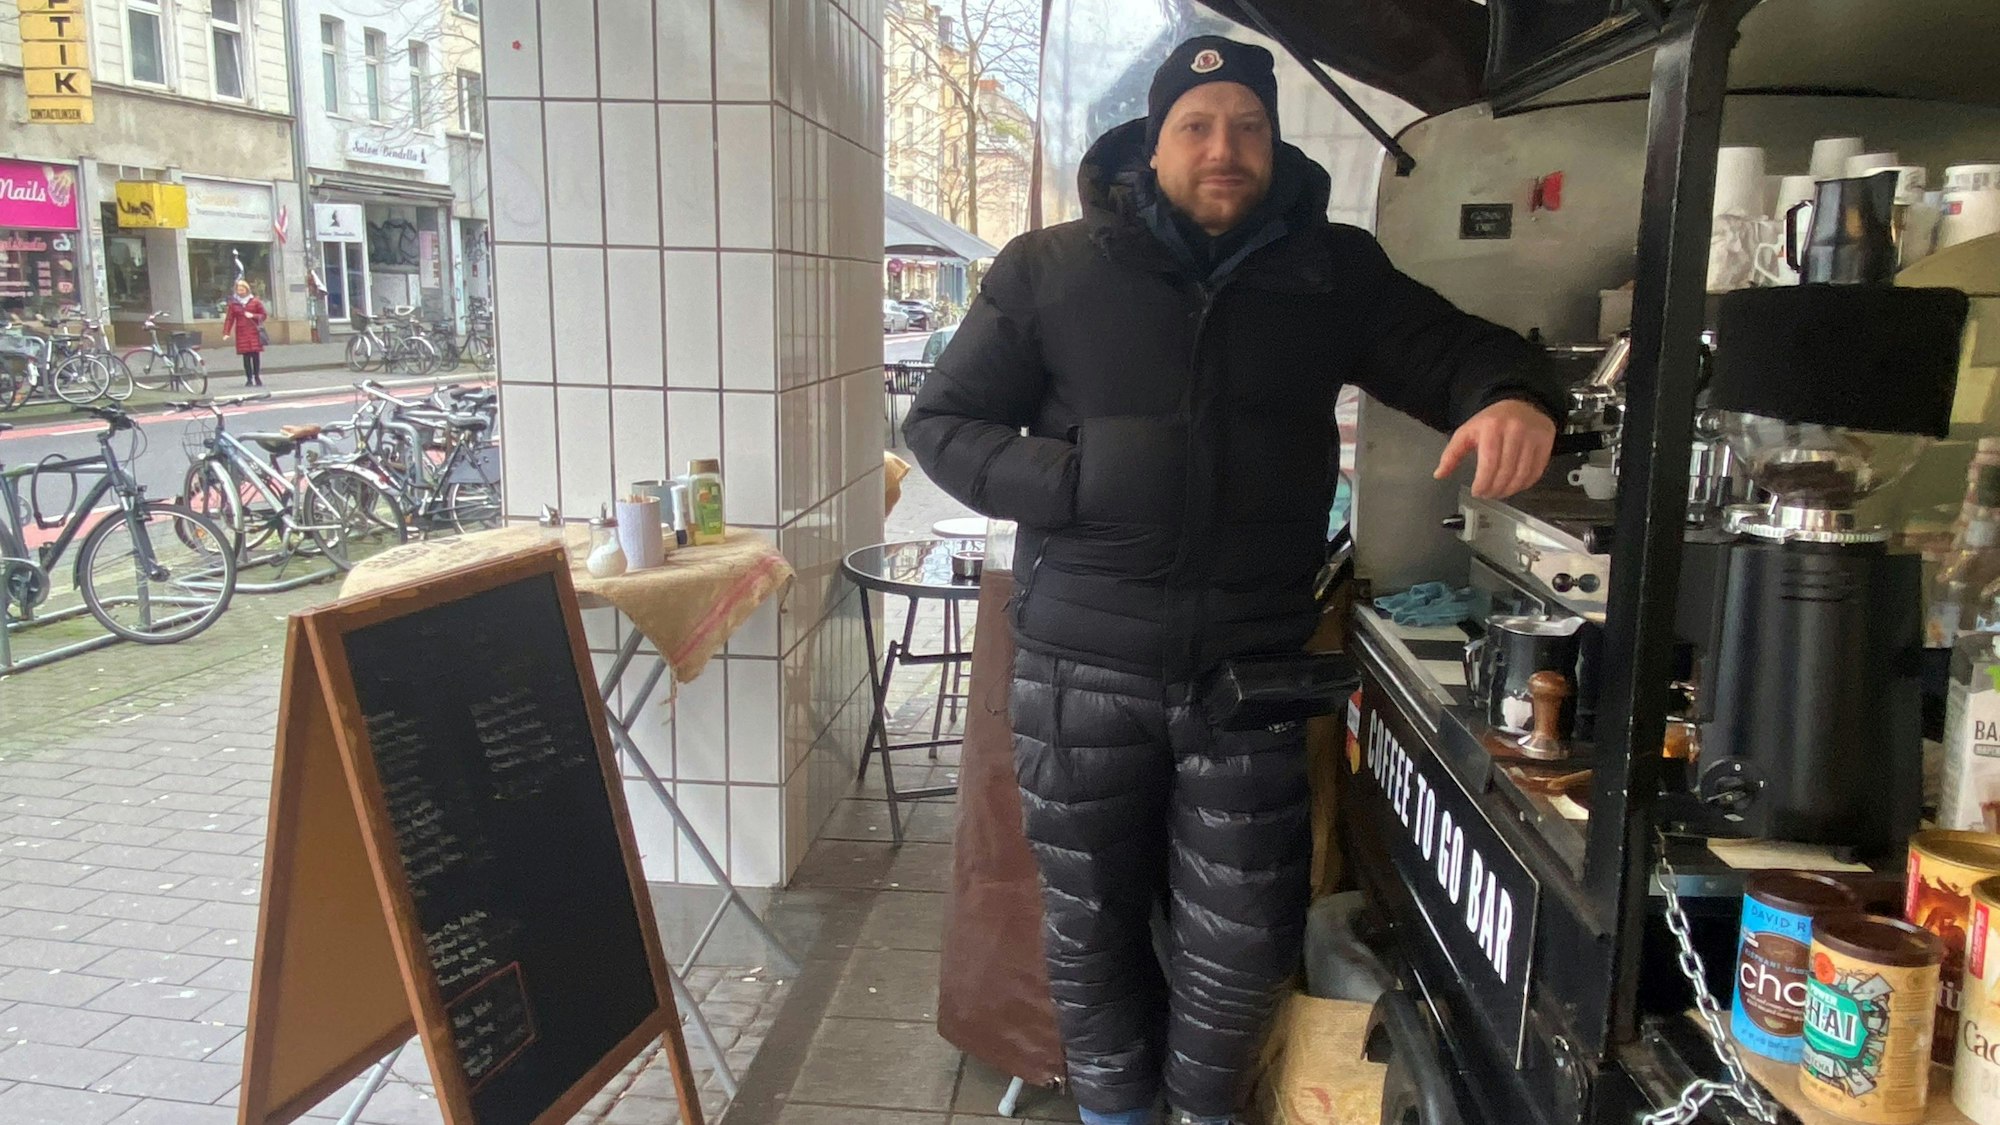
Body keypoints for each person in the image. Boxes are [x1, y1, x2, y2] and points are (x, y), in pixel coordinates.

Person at [903, 36, 1564, 1125]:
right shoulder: (1051, 268)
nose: (1225, 148)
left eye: (1248, 126)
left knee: (1241, 936)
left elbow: (1454, 351)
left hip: (1247, 670)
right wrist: (1080, 478)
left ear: (1271, 140)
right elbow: (942, 426)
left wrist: (1510, 395)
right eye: (1197, 126)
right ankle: (1115, 1116)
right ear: (1151, 143)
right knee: (1090, 923)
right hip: (1080, 667)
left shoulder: (1331, 271)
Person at [221, 279, 267, 387]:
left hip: (254, 331)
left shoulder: (255, 301)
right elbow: (229, 319)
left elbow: (263, 315)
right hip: (242, 332)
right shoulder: (234, 304)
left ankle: (257, 377)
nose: (240, 291)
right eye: (238, 289)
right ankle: (249, 378)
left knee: (255, 356)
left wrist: (253, 316)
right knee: (246, 357)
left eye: (242, 289)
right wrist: (226, 332)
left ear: (247, 290)